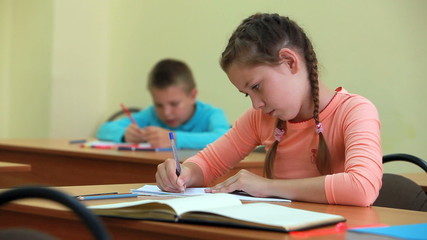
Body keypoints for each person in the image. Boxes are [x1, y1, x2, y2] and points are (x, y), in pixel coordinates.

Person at [155, 13, 382, 206]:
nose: (256, 104)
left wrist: (268, 186)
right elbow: (208, 163)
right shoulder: (260, 118)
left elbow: (361, 187)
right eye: (248, 94)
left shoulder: (354, 111)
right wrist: (184, 173)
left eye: (257, 87)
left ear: (289, 62)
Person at [97, 59, 230, 149]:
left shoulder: (212, 114)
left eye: (174, 104)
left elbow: (224, 138)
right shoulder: (151, 115)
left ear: (192, 96)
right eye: (159, 105)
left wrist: (175, 139)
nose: (166, 112)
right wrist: (125, 135)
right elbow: (104, 129)